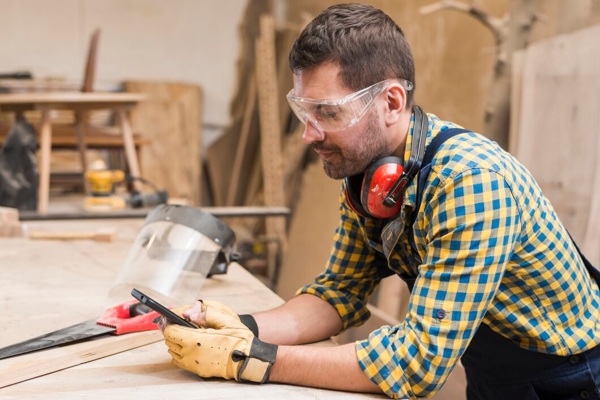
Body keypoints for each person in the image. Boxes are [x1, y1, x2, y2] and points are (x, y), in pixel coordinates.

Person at [160, 3, 600, 399]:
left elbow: (419, 363)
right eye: (304, 112)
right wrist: (239, 327)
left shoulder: (470, 182)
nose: (309, 134)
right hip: (493, 373)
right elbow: (338, 293)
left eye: (328, 113)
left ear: (391, 101)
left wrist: (251, 360)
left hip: (571, 379)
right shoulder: (371, 174)